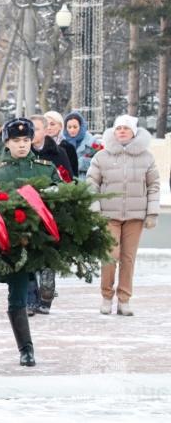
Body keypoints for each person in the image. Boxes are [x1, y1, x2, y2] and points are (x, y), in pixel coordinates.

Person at [0, 118, 61, 367]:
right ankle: (26, 349)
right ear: (7, 143)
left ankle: (46, 279)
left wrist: (53, 193)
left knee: (42, 267)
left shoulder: (45, 168)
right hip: (14, 242)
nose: (21, 146)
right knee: (16, 297)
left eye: (26, 140)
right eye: (16, 141)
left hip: (42, 239)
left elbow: (63, 191)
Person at [87, 115, 160, 317]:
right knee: (110, 255)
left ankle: (124, 299)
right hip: (109, 215)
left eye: (126, 129)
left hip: (135, 216)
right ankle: (106, 296)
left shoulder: (146, 157)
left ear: (134, 132)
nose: (121, 131)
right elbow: (91, 182)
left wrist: (152, 213)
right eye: (118, 128)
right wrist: (95, 209)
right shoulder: (102, 156)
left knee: (128, 258)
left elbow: (154, 185)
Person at [25, 114, 73, 315]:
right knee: (26, 256)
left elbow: (68, 181)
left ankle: (46, 293)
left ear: (46, 130)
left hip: (49, 213)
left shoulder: (59, 153)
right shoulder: (20, 153)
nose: (32, 134)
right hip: (25, 212)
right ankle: (29, 300)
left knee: (45, 255)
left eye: (36, 129)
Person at [62, 111, 100, 179]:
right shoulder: (61, 144)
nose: (72, 130)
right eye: (69, 127)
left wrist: (82, 163)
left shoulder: (93, 143)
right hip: (66, 184)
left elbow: (101, 163)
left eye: (75, 127)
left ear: (81, 126)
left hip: (86, 182)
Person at [44, 111, 79, 176]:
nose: (48, 128)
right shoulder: (37, 146)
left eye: (52, 124)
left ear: (60, 126)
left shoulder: (68, 148)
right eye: (46, 124)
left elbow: (74, 175)